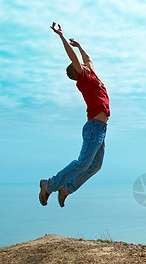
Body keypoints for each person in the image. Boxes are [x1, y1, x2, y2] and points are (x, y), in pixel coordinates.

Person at [39, 22, 110, 207]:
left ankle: (66, 188)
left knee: (95, 166)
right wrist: (62, 37)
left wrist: (80, 46)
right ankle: (49, 185)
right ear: (77, 71)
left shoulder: (93, 76)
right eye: (80, 65)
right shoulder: (84, 79)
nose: (85, 64)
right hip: (94, 127)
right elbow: (75, 59)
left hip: (101, 128)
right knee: (84, 163)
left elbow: (89, 59)